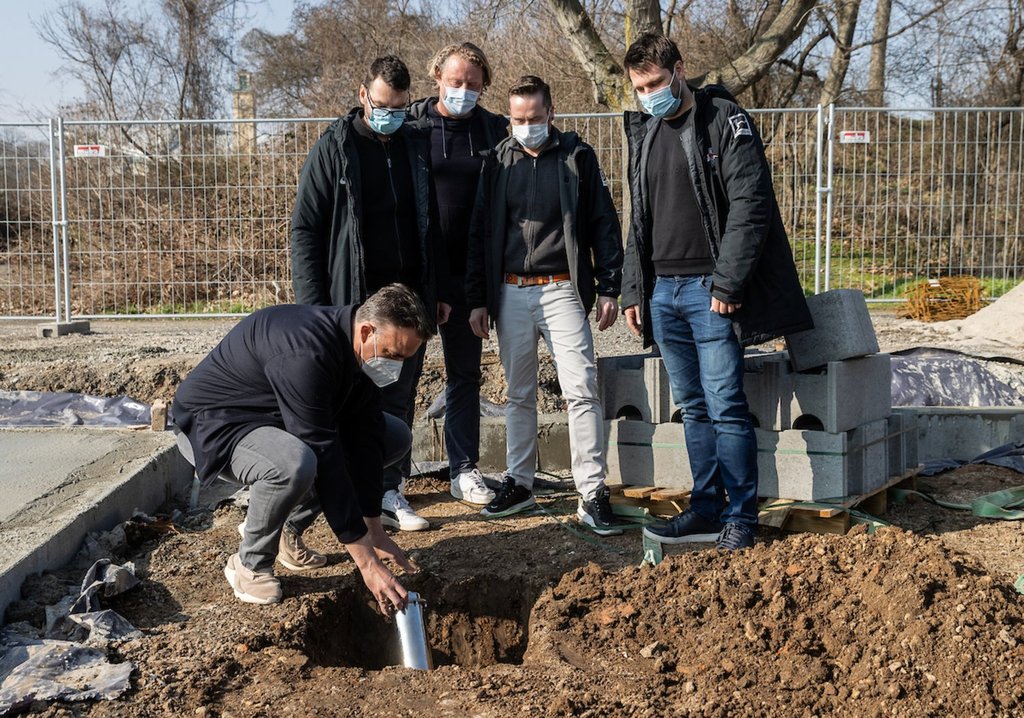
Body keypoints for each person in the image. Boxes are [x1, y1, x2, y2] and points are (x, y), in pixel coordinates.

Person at [621, 33, 813, 550]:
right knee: (692, 406)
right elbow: (637, 219)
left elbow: (751, 204)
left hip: (711, 290)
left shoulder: (724, 119)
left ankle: (740, 517)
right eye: (640, 87)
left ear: (680, 70)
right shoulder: (642, 130)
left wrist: (728, 281)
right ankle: (705, 507)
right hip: (664, 292)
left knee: (726, 404)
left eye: (657, 82)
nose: (649, 94)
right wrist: (634, 289)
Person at [171, 284, 431, 609]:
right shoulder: (306, 354)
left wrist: (373, 529)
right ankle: (249, 565)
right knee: (294, 464)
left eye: (405, 357)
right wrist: (366, 563)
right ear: (366, 331)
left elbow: (366, 438)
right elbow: (325, 454)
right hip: (217, 424)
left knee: (394, 437)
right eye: (393, 354)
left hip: (277, 417)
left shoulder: (356, 352)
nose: (397, 365)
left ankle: (285, 525)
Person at [291, 55, 449, 532]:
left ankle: (387, 490)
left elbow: (431, 225)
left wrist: (435, 289)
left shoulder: (415, 147)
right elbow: (305, 230)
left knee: (399, 395)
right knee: (349, 401)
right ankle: (331, 500)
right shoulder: (334, 149)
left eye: (400, 108)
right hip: (351, 300)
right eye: (383, 105)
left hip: (408, 299)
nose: (391, 116)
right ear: (364, 96)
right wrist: (316, 309)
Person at [466, 75, 625, 535]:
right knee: (518, 393)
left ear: (551, 113)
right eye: (518, 119)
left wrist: (610, 285)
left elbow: (603, 222)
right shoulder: (497, 162)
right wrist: (478, 299)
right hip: (509, 290)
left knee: (581, 390)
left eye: (535, 118)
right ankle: (518, 482)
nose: (527, 126)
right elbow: (480, 233)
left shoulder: (577, 157)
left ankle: (592, 491)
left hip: (562, 289)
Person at [408, 42, 509, 506]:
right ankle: (389, 481)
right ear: (436, 76)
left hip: (470, 276)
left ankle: (464, 468)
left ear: (484, 84)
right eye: (455, 81)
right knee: (400, 373)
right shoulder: (412, 126)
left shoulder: (495, 130)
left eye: (473, 83)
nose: (463, 90)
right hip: (418, 275)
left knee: (464, 376)